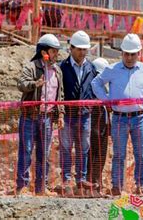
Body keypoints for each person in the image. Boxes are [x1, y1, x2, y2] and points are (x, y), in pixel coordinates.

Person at [91, 34, 143, 196]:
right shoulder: (113, 69)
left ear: (138, 53)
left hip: (139, 117)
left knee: (141, 153)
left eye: (133, 54)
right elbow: (96, 83)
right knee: (118, 154)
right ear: (122, 53)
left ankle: (142, 185)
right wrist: (106, 100)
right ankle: (117, 186)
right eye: (126, 54)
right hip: (119, 118)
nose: (129, 57)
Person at [16, 34, 65, 196]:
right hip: (30, 116)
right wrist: (34, 84)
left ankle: (41, 188)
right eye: (53, 51)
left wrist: (61, 115)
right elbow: (21, 84)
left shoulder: (57, 70)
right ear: (44, 52)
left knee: (44, 154)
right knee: (26, 151)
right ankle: (22, 186)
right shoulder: (32, 67)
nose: (56, 54)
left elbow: (60, 95)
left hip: (48, 117)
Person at [59, 31, 97, 197]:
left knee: (83, 147)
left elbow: (94, 88)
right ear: (71, 48)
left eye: (84, 49)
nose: (82, 52)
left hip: (85, 114)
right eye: (79, 49)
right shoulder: (62, 67)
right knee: (66, 147)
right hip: (68, 114)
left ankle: (81, 178)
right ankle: (66, 179)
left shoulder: (91, 67)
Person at [87, 57, 110, 197]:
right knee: (92, 152)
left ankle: (97, 182)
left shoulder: (105, 86)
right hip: (94, 118)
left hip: (104, 121)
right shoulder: (90, 86)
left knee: (101, 153)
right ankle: (91, 182)